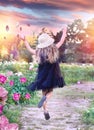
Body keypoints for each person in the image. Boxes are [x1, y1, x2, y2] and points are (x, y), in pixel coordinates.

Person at [20, 26, 67, 120]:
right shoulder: (53, 49)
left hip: (42, 75)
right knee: (50, 92)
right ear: (49, 41)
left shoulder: (38, 52)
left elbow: (29, 49)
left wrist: (24, 40)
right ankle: (46, 98)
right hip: (53, 74)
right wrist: (64, 31)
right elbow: (61, 41)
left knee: (43, 92)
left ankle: (45, 111)